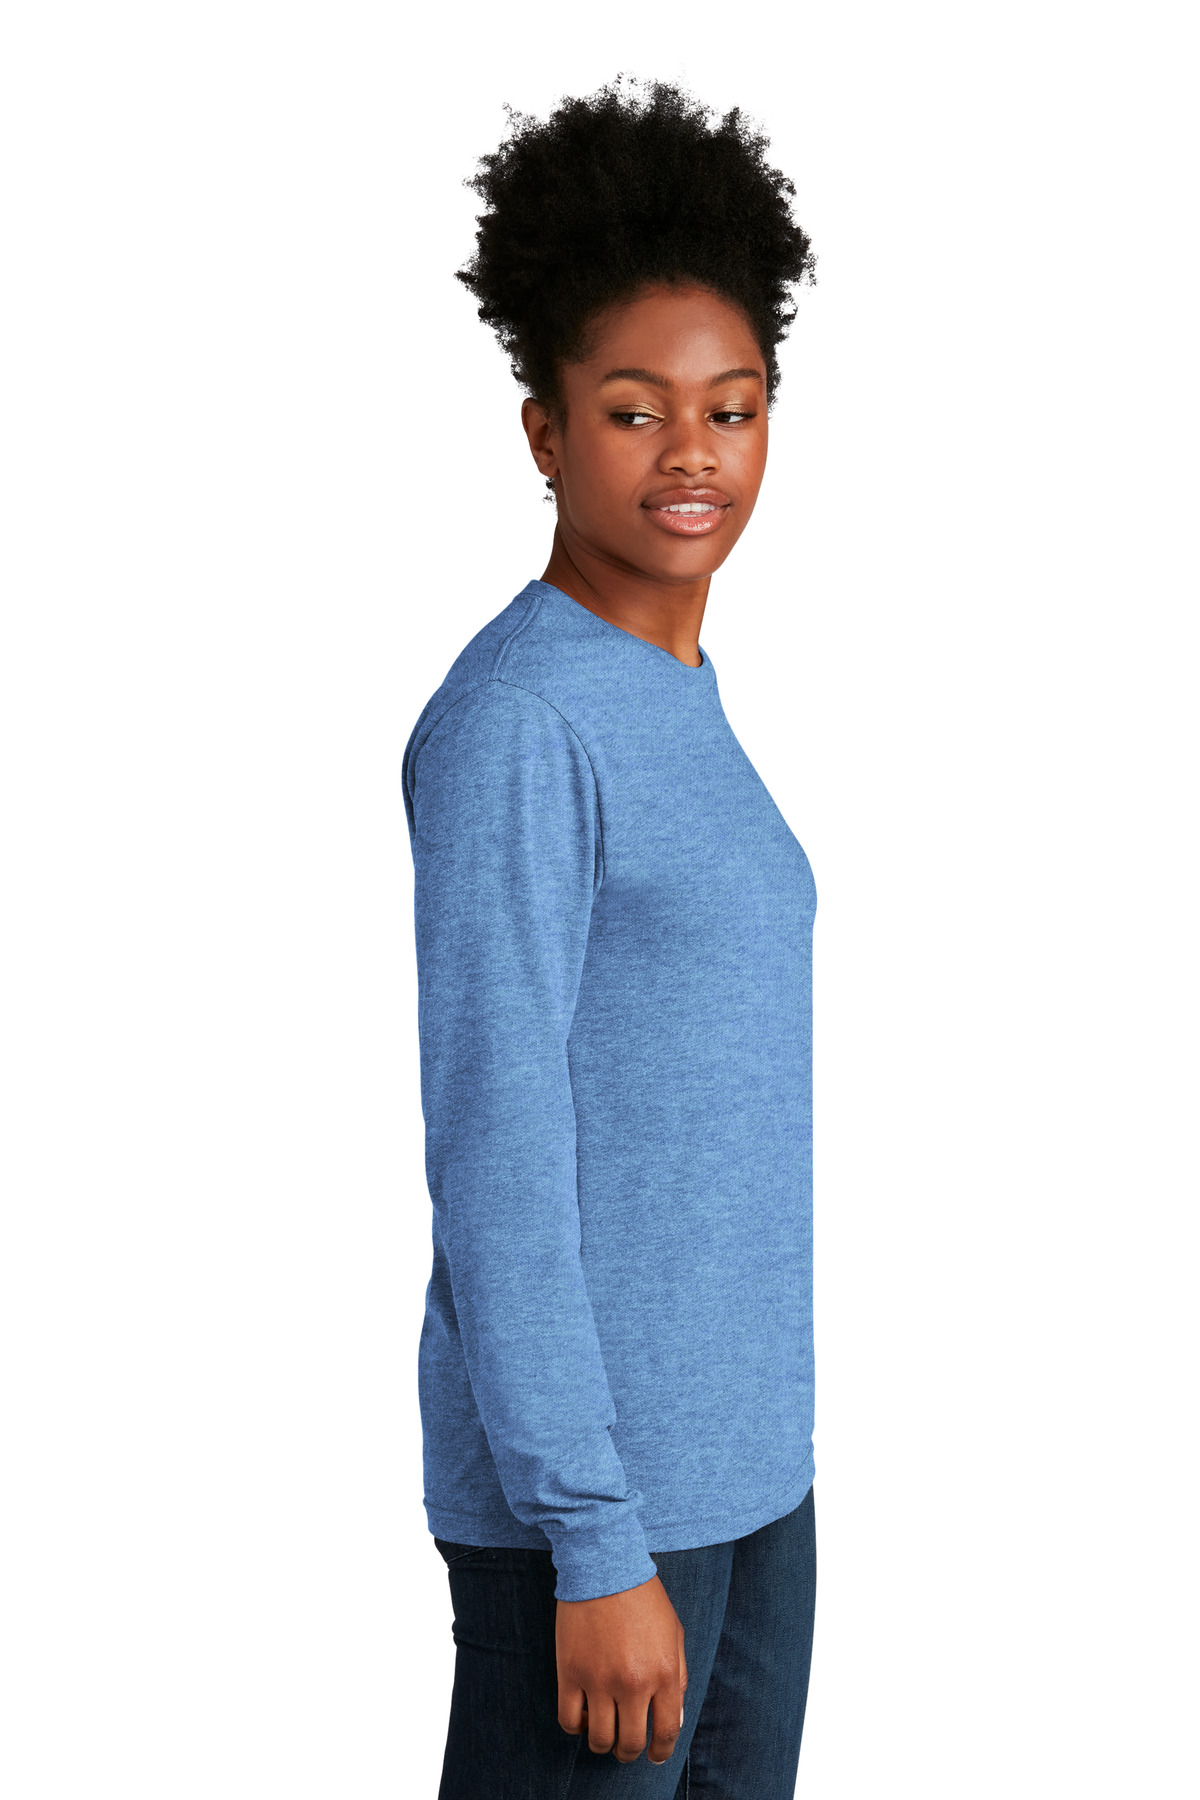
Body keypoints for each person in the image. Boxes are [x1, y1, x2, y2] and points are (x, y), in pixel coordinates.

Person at [403, 79, 818, 1798]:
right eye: (636, 411)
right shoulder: (521, 722)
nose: (692, 452)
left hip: (750, 1487)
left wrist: (761, 1483)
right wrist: (589, 1536)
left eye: (732, 408)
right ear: (546, 431)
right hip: (601, 1528)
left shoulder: (676, 690)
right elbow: (497, 1150)